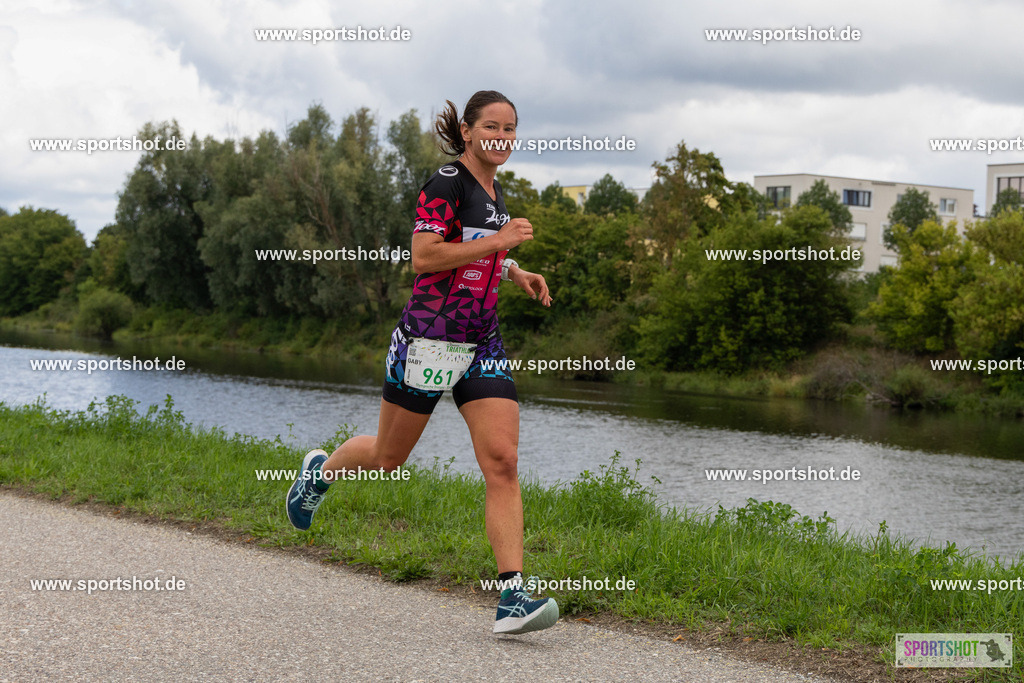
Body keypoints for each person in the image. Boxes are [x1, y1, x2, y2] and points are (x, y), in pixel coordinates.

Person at [286, 90, 558, 635]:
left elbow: (480, 248)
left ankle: (512, 597)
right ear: (466, 133)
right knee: (389, 459)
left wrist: (512, 269)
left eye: (510, 129)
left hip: (481, 342)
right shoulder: (446, 182)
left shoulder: (493, 190)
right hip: (430, 339)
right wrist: (501, 240)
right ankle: (319, 473)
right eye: (491, 128)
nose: (502, 138)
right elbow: (425, 256)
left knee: (502, 461)